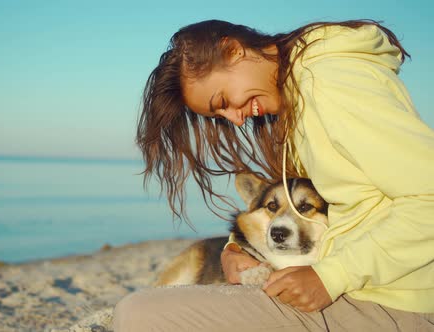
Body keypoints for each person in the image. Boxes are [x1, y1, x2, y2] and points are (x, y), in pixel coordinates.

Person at [113, 19, 434, 331]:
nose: (236, 119)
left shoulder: (332, 83)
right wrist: (234, 249)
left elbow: (428, 195)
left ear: (233, 50)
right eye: (220, 115)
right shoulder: (303, 92)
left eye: (223, 101)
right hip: (368, 288)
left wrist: (332, 276)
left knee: (137, 314)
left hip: (392, 301)